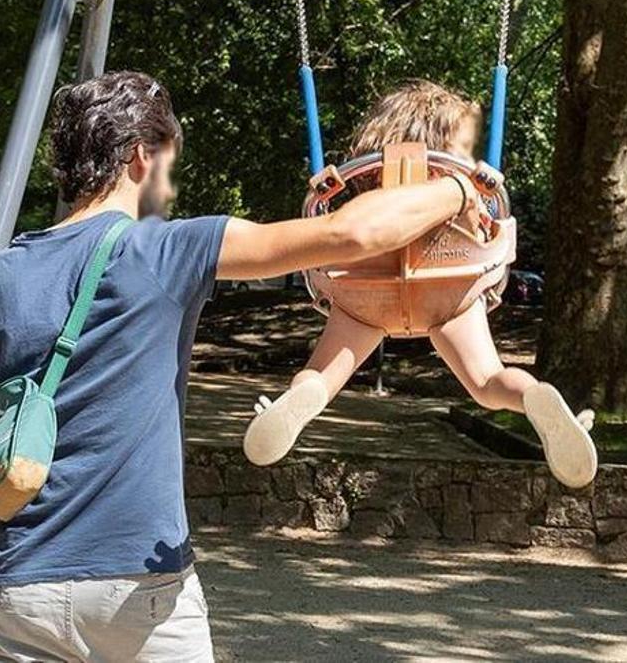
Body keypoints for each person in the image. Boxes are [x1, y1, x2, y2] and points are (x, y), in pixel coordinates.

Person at [0, 71, 485, 662]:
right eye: (170, 166)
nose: (169, 189)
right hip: (141, 594)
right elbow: (351, 235)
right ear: (140, 158)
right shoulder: (169, 249)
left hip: (23, 588)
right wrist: (458, 189)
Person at [243, 80, 598, 490]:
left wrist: (321, 192)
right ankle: (533, 398)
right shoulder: (464, 187)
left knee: (321, 376)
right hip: (449, 290)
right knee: (486, 383)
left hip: (364, 289)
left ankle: (299, 399)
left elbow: (324, 221)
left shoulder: (367, 184)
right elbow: (495, 228)